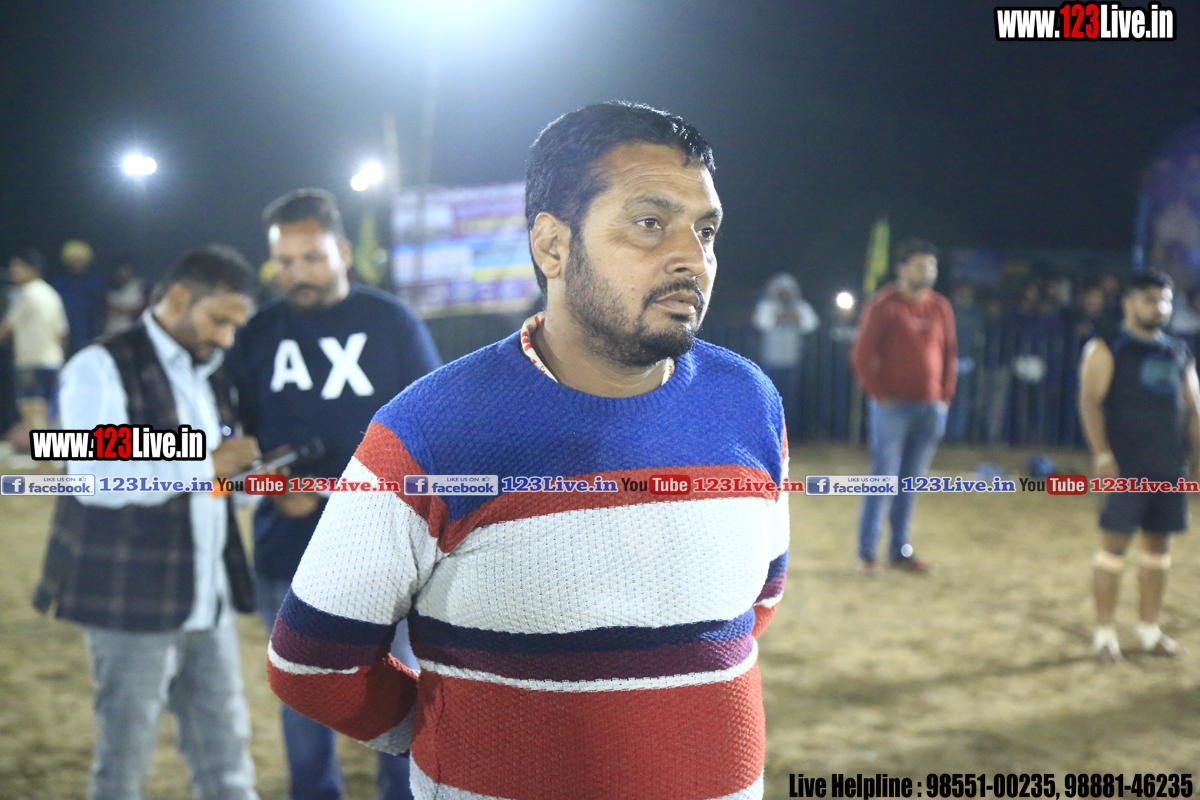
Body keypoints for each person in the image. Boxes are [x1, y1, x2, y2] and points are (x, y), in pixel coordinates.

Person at [265, 101, 790, 799]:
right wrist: (452, 729)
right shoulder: (432, 430)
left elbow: (755, 603)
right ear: (552, 245)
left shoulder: (750, 402)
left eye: (706, 230)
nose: (693, 258)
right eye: (649, 223)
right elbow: (313, 666)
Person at [225, 188, 440, 800]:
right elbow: (230, 438)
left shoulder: (392, 322)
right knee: (301, 693)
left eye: (312, 258)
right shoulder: (256, 332)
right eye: (284, 262)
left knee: (404, 690)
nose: (298, 274)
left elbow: (433, 426)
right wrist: (267, 484)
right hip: (286, 546)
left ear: (343, 252)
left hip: (389, 548)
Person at [32, 246, 263, 800]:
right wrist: (205, 461)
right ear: (178, 298)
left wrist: (248, 482)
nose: (227, 338)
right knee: (125, 763)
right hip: (129, 599)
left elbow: (212, 486)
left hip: (207, 596)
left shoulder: (211, 374)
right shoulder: (100, 365)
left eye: (235, 326)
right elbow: (91, 473)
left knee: (227, 757)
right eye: (219, 320)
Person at [1077, 270, 1200, 664]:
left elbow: (1194, 409)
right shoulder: (1108, 346)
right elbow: (1090, 402)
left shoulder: (1179, 351)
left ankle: (1149, 631)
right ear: (1128, 303)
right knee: (1112, 549)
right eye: (1150, 299)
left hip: (1169, 467)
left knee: (1158, 550)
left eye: (1165, 301)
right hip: (1126, 467)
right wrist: (1102, 455)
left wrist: (1197, 459)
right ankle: (1104, 634)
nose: (1159, 307)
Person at [850, 238, 956, 574]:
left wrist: (944, 397)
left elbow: (950, 354)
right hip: (892, 409)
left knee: (911, 483)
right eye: (920, 265)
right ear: (902, 269)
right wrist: (880, 395)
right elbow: (861, 355)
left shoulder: (940, 306)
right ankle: (868, 553)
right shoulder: (884, 304)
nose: (927, 271)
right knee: (883, 479)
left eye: (931, 266)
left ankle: (899, 550)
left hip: (931, 407)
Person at [0, 248, 68, 439]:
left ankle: (44, 455)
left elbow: (6, 329)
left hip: (31, 362)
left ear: (33, 269)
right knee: (50, 412)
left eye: (18, 267)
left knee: (32, 410)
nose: (14, 271)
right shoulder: (51, 294)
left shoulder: (26, 294)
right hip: (53, 362)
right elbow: (63, 333)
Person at [753, 273, 818, 431]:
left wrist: (795, 317)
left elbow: (812, 324)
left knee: (790, 398)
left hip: (792, 359)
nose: (785, 294)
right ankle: (769, 428)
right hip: (770, 359)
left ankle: (790, 431)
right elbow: (761, 322)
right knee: (769, 395)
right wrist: (781, 317)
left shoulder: (800, 306)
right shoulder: (767, 305)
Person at [52, 239, 107, 355]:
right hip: (66, 331)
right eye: (73, 261)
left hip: (89, 331)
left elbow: (100, 310)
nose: (76, 264)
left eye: (80, 260)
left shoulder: (95, 281)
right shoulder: (60, 282)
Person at [104, 259, 147, 335]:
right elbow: (107, 307)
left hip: (129, 327)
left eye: (127, 269)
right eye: (122, 269)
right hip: (111, 327)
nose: (124, 272)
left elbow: (136, 309)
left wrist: (121, 310)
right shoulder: (111, 284)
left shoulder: (137, 286)